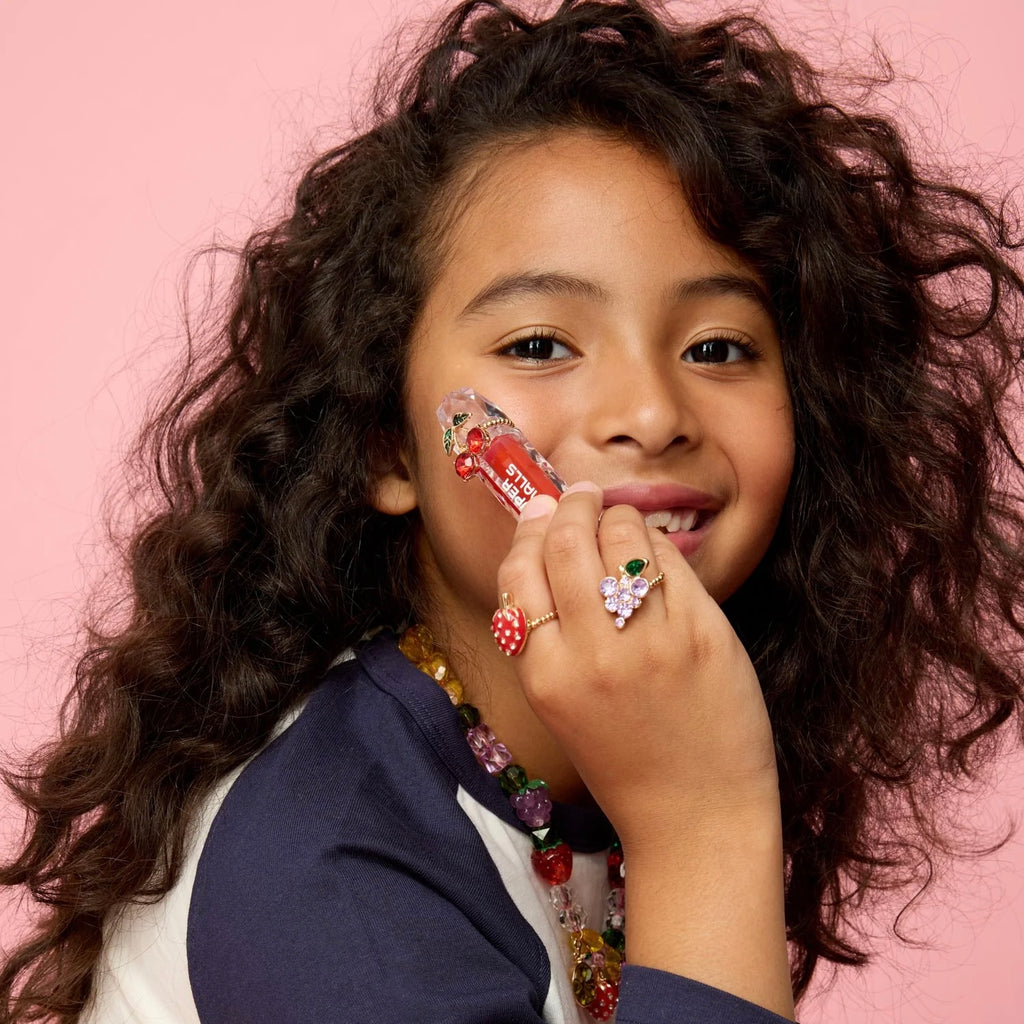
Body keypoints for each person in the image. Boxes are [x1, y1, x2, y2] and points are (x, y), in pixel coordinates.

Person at [2, 0, 1022, 1021]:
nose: (651, 413)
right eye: (539, 345)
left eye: (717, 347)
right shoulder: (328, 870)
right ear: (388, 442)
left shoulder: (596, 784)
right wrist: (704, 823)